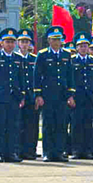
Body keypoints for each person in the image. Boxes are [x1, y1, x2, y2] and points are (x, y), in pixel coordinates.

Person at [33, 26, 75, 162]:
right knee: (48, 124)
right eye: (54, 39)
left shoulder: (66, 55)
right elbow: (37, 75)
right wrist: (38, 94)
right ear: (49, 40)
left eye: (59, 39)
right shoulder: (43, 54)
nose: (57, 42)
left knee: (61, 124)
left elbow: (70, 76)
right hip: (48, 95)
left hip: (62, 95)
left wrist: (70, 94)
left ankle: (59, 152)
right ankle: (48, 152)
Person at [0, 28, 25, 163]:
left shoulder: (18, 58)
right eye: (7, 42)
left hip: (13, 97)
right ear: (2, 43)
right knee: (0, 126)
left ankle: (12, 152)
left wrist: (22, 96)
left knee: (13, 126)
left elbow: (21, 79)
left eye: (12, 42)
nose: (10, 44)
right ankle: (0, 152)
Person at [71, 32, 93, 159]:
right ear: (77, 48)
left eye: (85, 46)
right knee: (76, 124)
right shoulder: (72, 60)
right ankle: (76, 150)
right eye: (81, 46)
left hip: (90, 97)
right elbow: (70, 79)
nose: (83, 48)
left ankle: (88, 150)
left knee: (88, 124)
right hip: (77, 98)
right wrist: (70, 96)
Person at [17, 29, 39, 160]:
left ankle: (30, 150)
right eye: (22, 42)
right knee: (18, 125)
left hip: (31, 97)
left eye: (27, 42)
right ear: (18, 43)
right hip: (18, 97)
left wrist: (37, 96)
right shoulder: (15, 58)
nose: (25, 45)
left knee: (32, 126)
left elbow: (38, 79)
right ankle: (18, 150)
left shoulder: (34, 59)